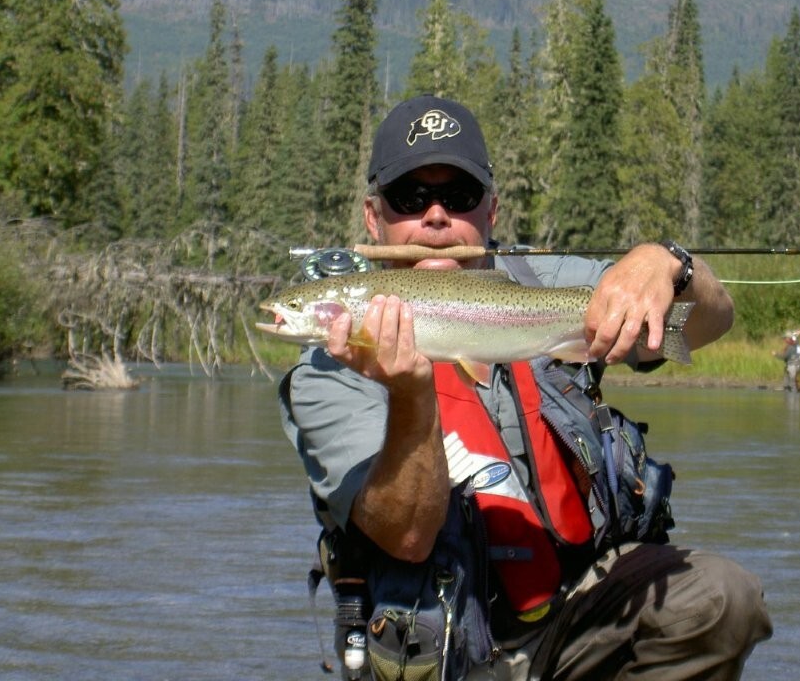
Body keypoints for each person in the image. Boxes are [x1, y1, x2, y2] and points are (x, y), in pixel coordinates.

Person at [278, 94, 772, 680]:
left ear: (490, 210)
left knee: (721, 596)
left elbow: (710, 323)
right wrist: (412, 393)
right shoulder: (329, 371)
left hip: (578, 610)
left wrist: (666, 265)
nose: (436, 216)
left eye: (458, 196)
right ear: (373, 216)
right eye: (410, 198)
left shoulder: (549, 285)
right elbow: (407, 535)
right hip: (441, 643)